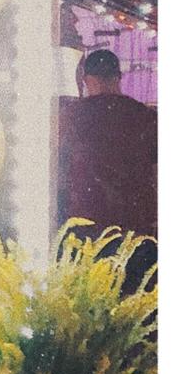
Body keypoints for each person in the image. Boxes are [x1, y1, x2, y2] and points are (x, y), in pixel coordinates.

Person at [58, 46, 158, 242]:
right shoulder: (144, 116)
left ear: (87, 80)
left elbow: (60, 166)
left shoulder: (72, 116)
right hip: (134, 219)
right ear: (118, 77)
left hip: (87, 217)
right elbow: (155, 169)